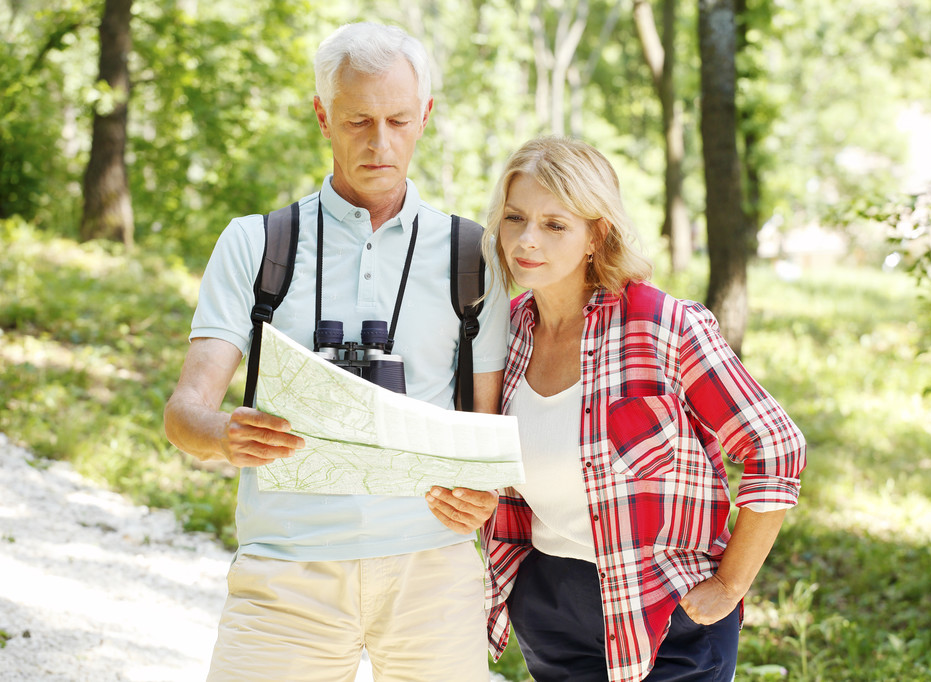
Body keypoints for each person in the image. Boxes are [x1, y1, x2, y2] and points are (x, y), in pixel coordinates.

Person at [163, 22, 509, 682]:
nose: (380, 143)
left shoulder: (474, 255)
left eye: (398, 120)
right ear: (323, 116)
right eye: (357, 121)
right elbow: (184, 413)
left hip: (432, 571)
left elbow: (484, 435)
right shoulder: (254, 244)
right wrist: (223, 435)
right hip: (286, 571)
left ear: (425, 117)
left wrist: (483, 488)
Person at [481, 137, 807, 682]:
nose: (527, 240)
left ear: (595, 235)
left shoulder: (664, 327)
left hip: (664, 611)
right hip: (552, 608)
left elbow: (775, 447)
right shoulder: (506, 333)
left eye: (555, 224)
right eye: (515, 218)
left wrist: (730, 585)